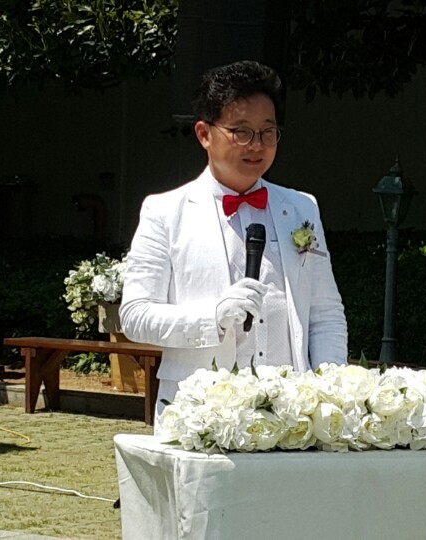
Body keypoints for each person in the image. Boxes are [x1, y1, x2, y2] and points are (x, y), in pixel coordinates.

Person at [120, 60, 348, 428]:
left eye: (268, 132)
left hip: (294, 414)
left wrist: (329, 390)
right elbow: (135, 316)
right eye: (241, 132)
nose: (256, 145)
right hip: (200, 414)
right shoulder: (165, 211)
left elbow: (325, 315)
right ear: (204, 134)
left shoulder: (301, 207)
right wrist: (212, 317)